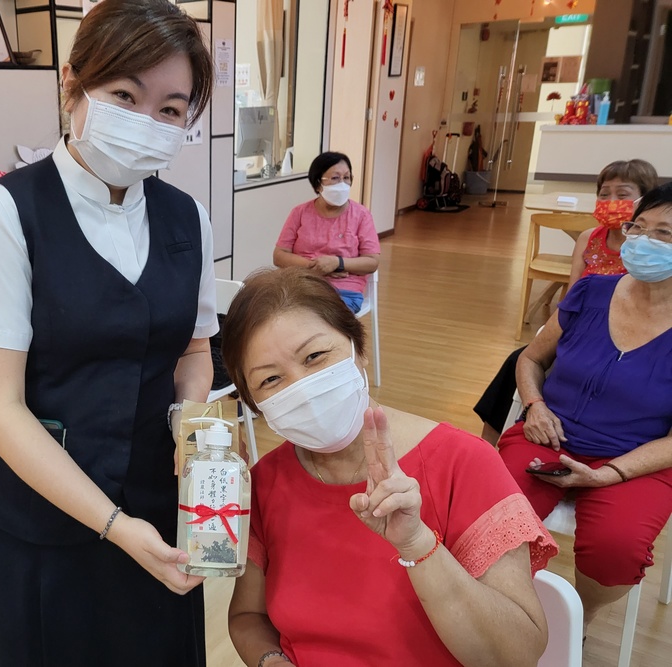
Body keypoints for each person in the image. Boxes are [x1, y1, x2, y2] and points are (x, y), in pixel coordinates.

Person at [0, 1, 216, 664]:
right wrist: (113, 525)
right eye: (125, 94)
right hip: (39, 527)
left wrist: (192, 416)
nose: (148, 122)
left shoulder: (188, 219)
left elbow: (196, 349)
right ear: (72, 83)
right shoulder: (5, 213)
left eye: (172, 109)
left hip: (155, 509)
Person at [221, 267, 557, 667]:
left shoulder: (464, 464)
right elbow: (248, 617)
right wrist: (271, 660)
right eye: (272, 379)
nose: (301, 389)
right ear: (253, 402)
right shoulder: (265, 482)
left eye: (315, 356)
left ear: (358, 347)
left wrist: (418, 544)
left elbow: (515, 656)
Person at [498, 181, 672, 634]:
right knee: (494, 513)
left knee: (616, 547)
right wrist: (534, 405)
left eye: (665, 234)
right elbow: (532, 358)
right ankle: (502, 603)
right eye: (640, 228)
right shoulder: (592, 291)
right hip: (547, 432)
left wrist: (608, 475)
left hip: (637, 457)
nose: (644, 242)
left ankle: (581, 618)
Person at [474, 159, 659, 443]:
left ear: (645, 201)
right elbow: (571, 296)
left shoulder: (648, 254)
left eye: (623, 195)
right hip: (579, 329)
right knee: (518, 360)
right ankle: (486, 444)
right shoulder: (588, 239)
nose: (611, 201)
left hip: (624, 340)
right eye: (604, 193)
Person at [273, 151, 380, 313]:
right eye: (335, 178)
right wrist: (315, 267)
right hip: (301, 286)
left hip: (344, 291)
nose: (342, 184)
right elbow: (279, 255)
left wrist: (338, 263)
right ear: (318, 184)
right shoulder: (300, 212)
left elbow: (372, 262)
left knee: (316, 318)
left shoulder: (361, 215)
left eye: (347, 177)